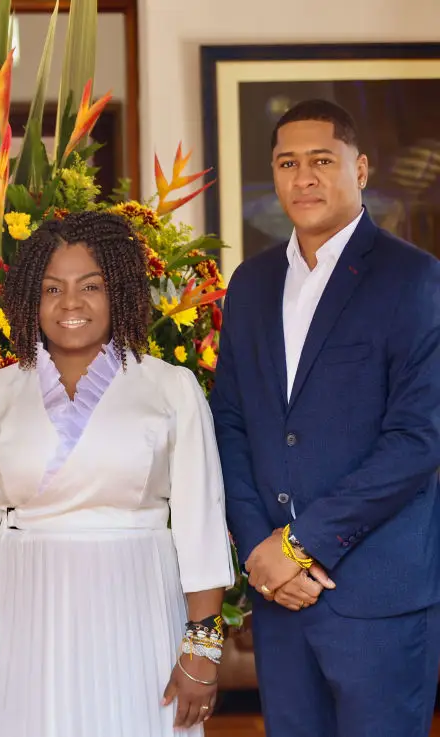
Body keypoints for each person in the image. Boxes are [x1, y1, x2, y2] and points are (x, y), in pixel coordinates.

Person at [0, 211, 236, 736]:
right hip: (23, 612)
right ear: (31, 297)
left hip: (139, 606)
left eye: (90, 286)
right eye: (52, 288)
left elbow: (201, 528)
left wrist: (202, 649)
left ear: (119, 291)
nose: (71, 303)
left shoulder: (171, 388)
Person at [210, 98, 440, 737]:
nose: (303, 177)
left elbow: (417, 440)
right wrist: (262, 549)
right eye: (287, 162)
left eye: (321, 160)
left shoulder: (415, 279)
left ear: (360, 168)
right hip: (279, 596)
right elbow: (229, 421)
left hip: (376, 597)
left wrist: (297, 545)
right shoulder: (250, 284)